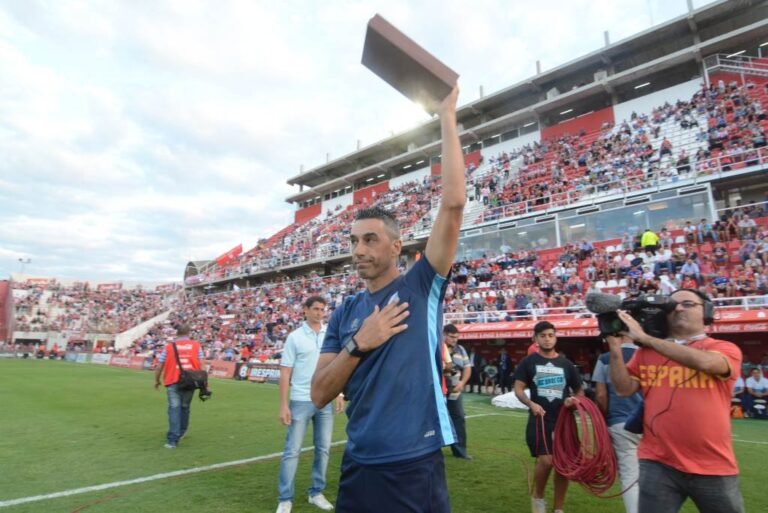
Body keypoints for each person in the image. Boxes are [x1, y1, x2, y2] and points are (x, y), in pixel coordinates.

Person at [311, 87, 464, 513]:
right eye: (354, 241)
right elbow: (320, 393)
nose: (358, 250)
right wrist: (359, 343)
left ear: (396, 247)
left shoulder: (421, 285)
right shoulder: (345, 312)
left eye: (370, 240)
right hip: (359, 463)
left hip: (413, 465)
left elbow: (452, 205)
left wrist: (446, 115)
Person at [608, 289, 745, 513]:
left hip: (713, 464)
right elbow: (624, 389)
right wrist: (615, 349)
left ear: (707, 312)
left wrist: (645, 338)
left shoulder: (723, 348)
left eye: (688, 304)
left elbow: (707, 364)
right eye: (672, 306)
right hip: (658, 461)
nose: (679, 308)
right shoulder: (646, 352)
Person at [276, 296, 343, 513]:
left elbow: (337, 366)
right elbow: (285, 372)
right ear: (305, 310)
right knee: (292, 451)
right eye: (315, 309)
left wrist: (339, 392)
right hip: (300, 400)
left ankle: (316, 493)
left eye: (323, 309)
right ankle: (285, 499)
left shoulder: (330, 334)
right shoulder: (294, 337)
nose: (319, 313)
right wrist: (283, 405)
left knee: (323, 449)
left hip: (325, 400)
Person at [513, 321, 583, 513]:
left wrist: (573, 401)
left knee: (563, 465)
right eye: (543, 335)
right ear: (535, 338)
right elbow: (518, 389)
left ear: (556, 337)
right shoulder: (528, 362)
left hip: (563, 421)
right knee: (546, 461)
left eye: (551, 335)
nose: (547, 339)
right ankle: (538, 498)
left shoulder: (566, 364)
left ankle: (558, 508)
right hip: (539, 419)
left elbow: (579, 391)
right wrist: (531, 404)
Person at [593, 334, 643, 513]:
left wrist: (602, 421)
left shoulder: (605, 359)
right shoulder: (650, 355)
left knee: (630, 478)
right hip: (651, 425)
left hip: (621, 423)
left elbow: (600, 395)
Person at [154, 324, 204, 449]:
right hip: (190, 380)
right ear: (188, 333)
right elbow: (203, 365)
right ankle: (182, 431)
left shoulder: (169, 347)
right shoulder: (196, 346)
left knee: (174, 408)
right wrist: (204, 382)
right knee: (185, 406)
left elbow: (160, 365)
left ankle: (173, 439)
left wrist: (157, 380)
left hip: (173, 379)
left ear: (177, 334)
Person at [443, 323, 473, 460]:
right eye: (451, 337)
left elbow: (467, 368)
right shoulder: (437, 347)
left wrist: (462, 383)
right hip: (439, 391)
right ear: (443, 335)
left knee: (459, 418)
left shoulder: (461, 349)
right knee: (433, 419)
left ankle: (460, 451)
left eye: (456, 337)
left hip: (455, 391)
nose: (454, 340)